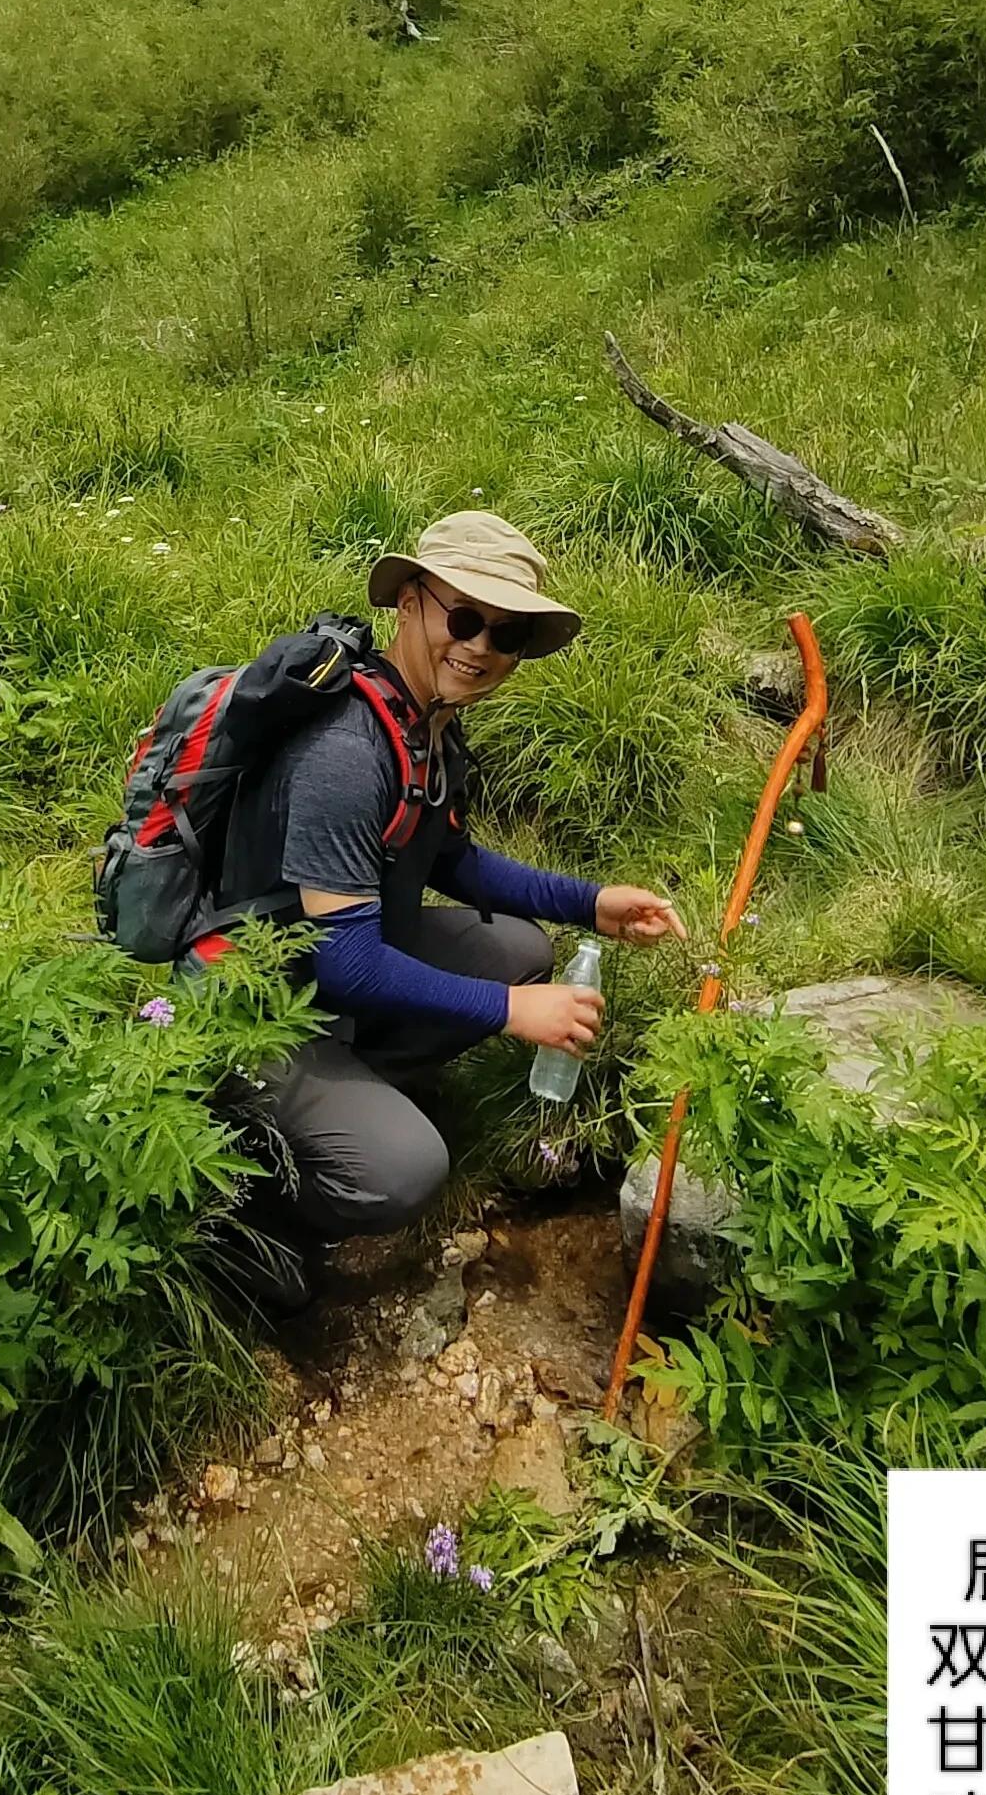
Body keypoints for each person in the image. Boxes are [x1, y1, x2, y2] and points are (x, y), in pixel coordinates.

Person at [202, 509, 686, 1303]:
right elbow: (347, 961)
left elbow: (451, 859)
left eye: (508, 635)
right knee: (407, 1168)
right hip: (254, 1000)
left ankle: (349, 1090)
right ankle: (249, 1216)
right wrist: (509, 1012)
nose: (480, 648)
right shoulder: (346, 753)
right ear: (410, 603)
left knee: (518, 950)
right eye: (464, 618)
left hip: (319, 969)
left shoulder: (423, 723)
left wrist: (590, 902)